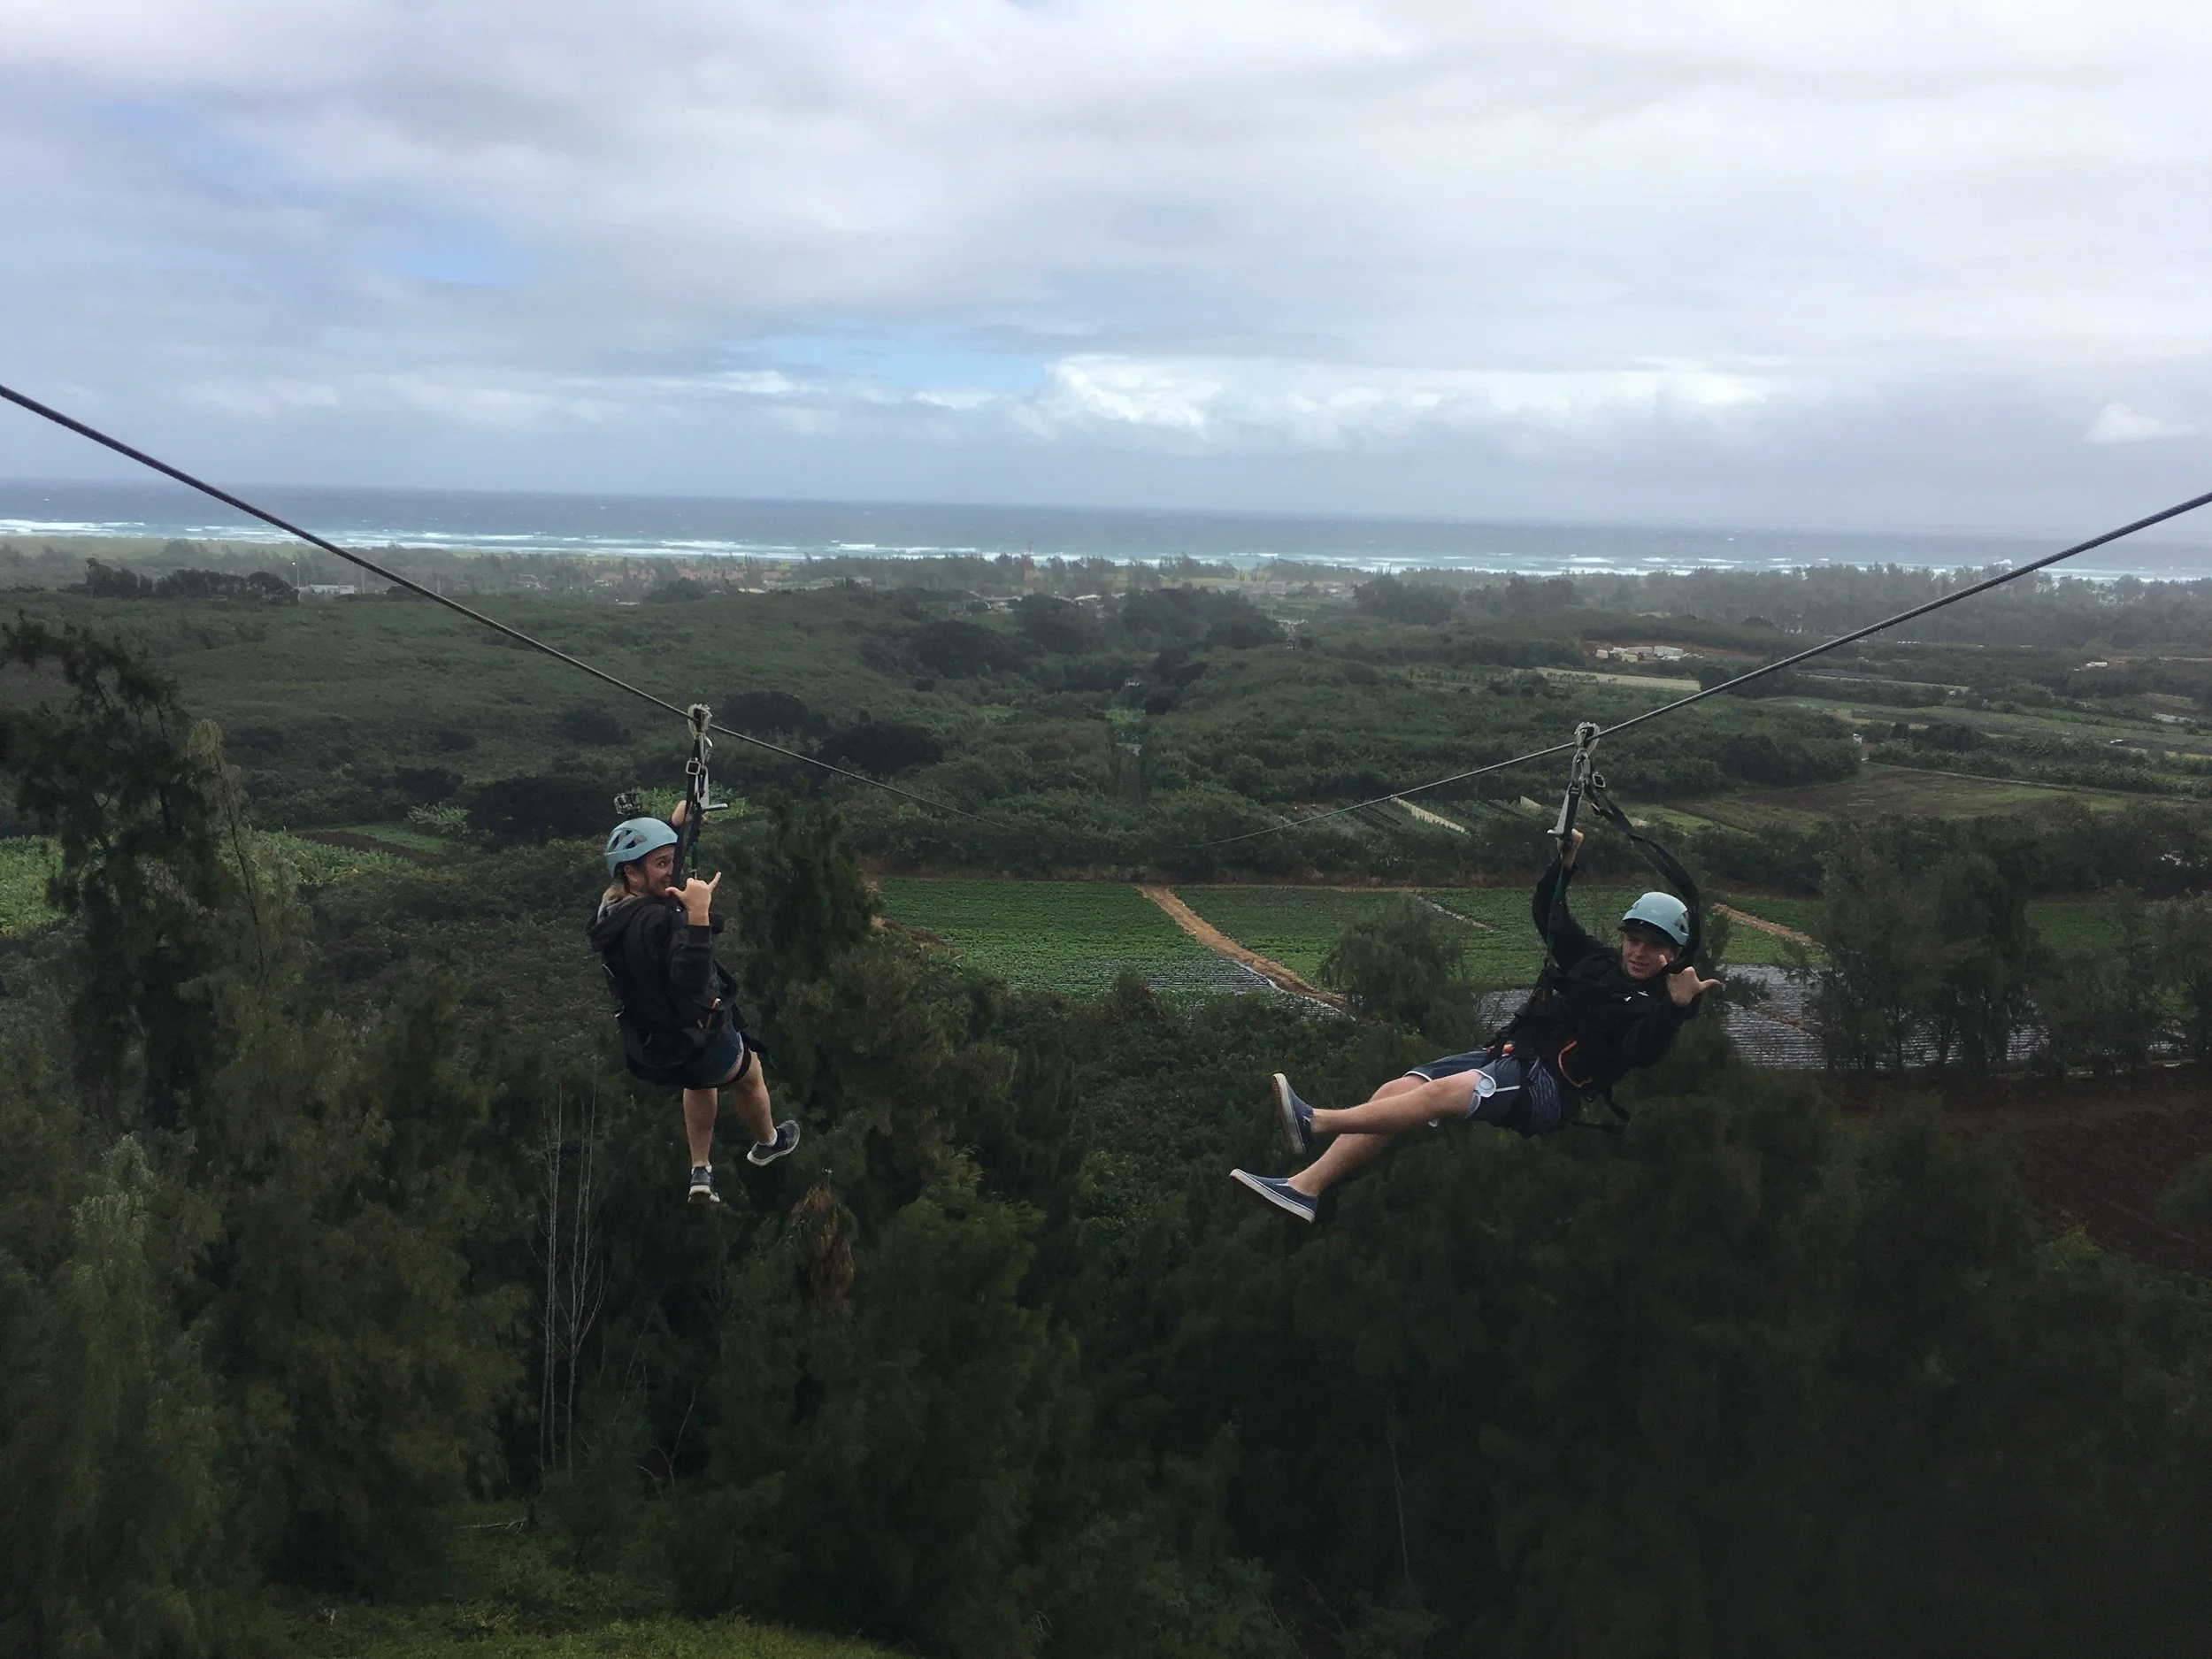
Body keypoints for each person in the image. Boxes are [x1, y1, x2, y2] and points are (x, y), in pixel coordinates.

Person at [1231, 829, 1717, 1223]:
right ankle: (1305, 1188)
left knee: (1444, 1096)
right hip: (1513, 1053)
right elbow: (1550, 917)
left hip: (1549, 1089)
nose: (1638, 952)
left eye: (1653, 948)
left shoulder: (1656, 1003)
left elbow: (1642, 1050)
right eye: (1634, 940)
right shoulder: (1598, 961)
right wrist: (1563, 867)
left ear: (1673, 955)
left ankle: (1315, 1121)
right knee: (1396, 1091)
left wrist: (1675, 1008)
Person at [589, 809, 799, 1206]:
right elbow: (688, 976)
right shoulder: (657, 922)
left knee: (699, 1083)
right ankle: (768, 1141)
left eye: (671, 859)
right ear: (632, 874)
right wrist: (699, 916)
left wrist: (678, 826)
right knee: (748, 1072)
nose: (672, 871)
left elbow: (659, 884)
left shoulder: (611, 913)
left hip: (655, 1045)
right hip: (696, 1034)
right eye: (661, 864)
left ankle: (700, 1170)